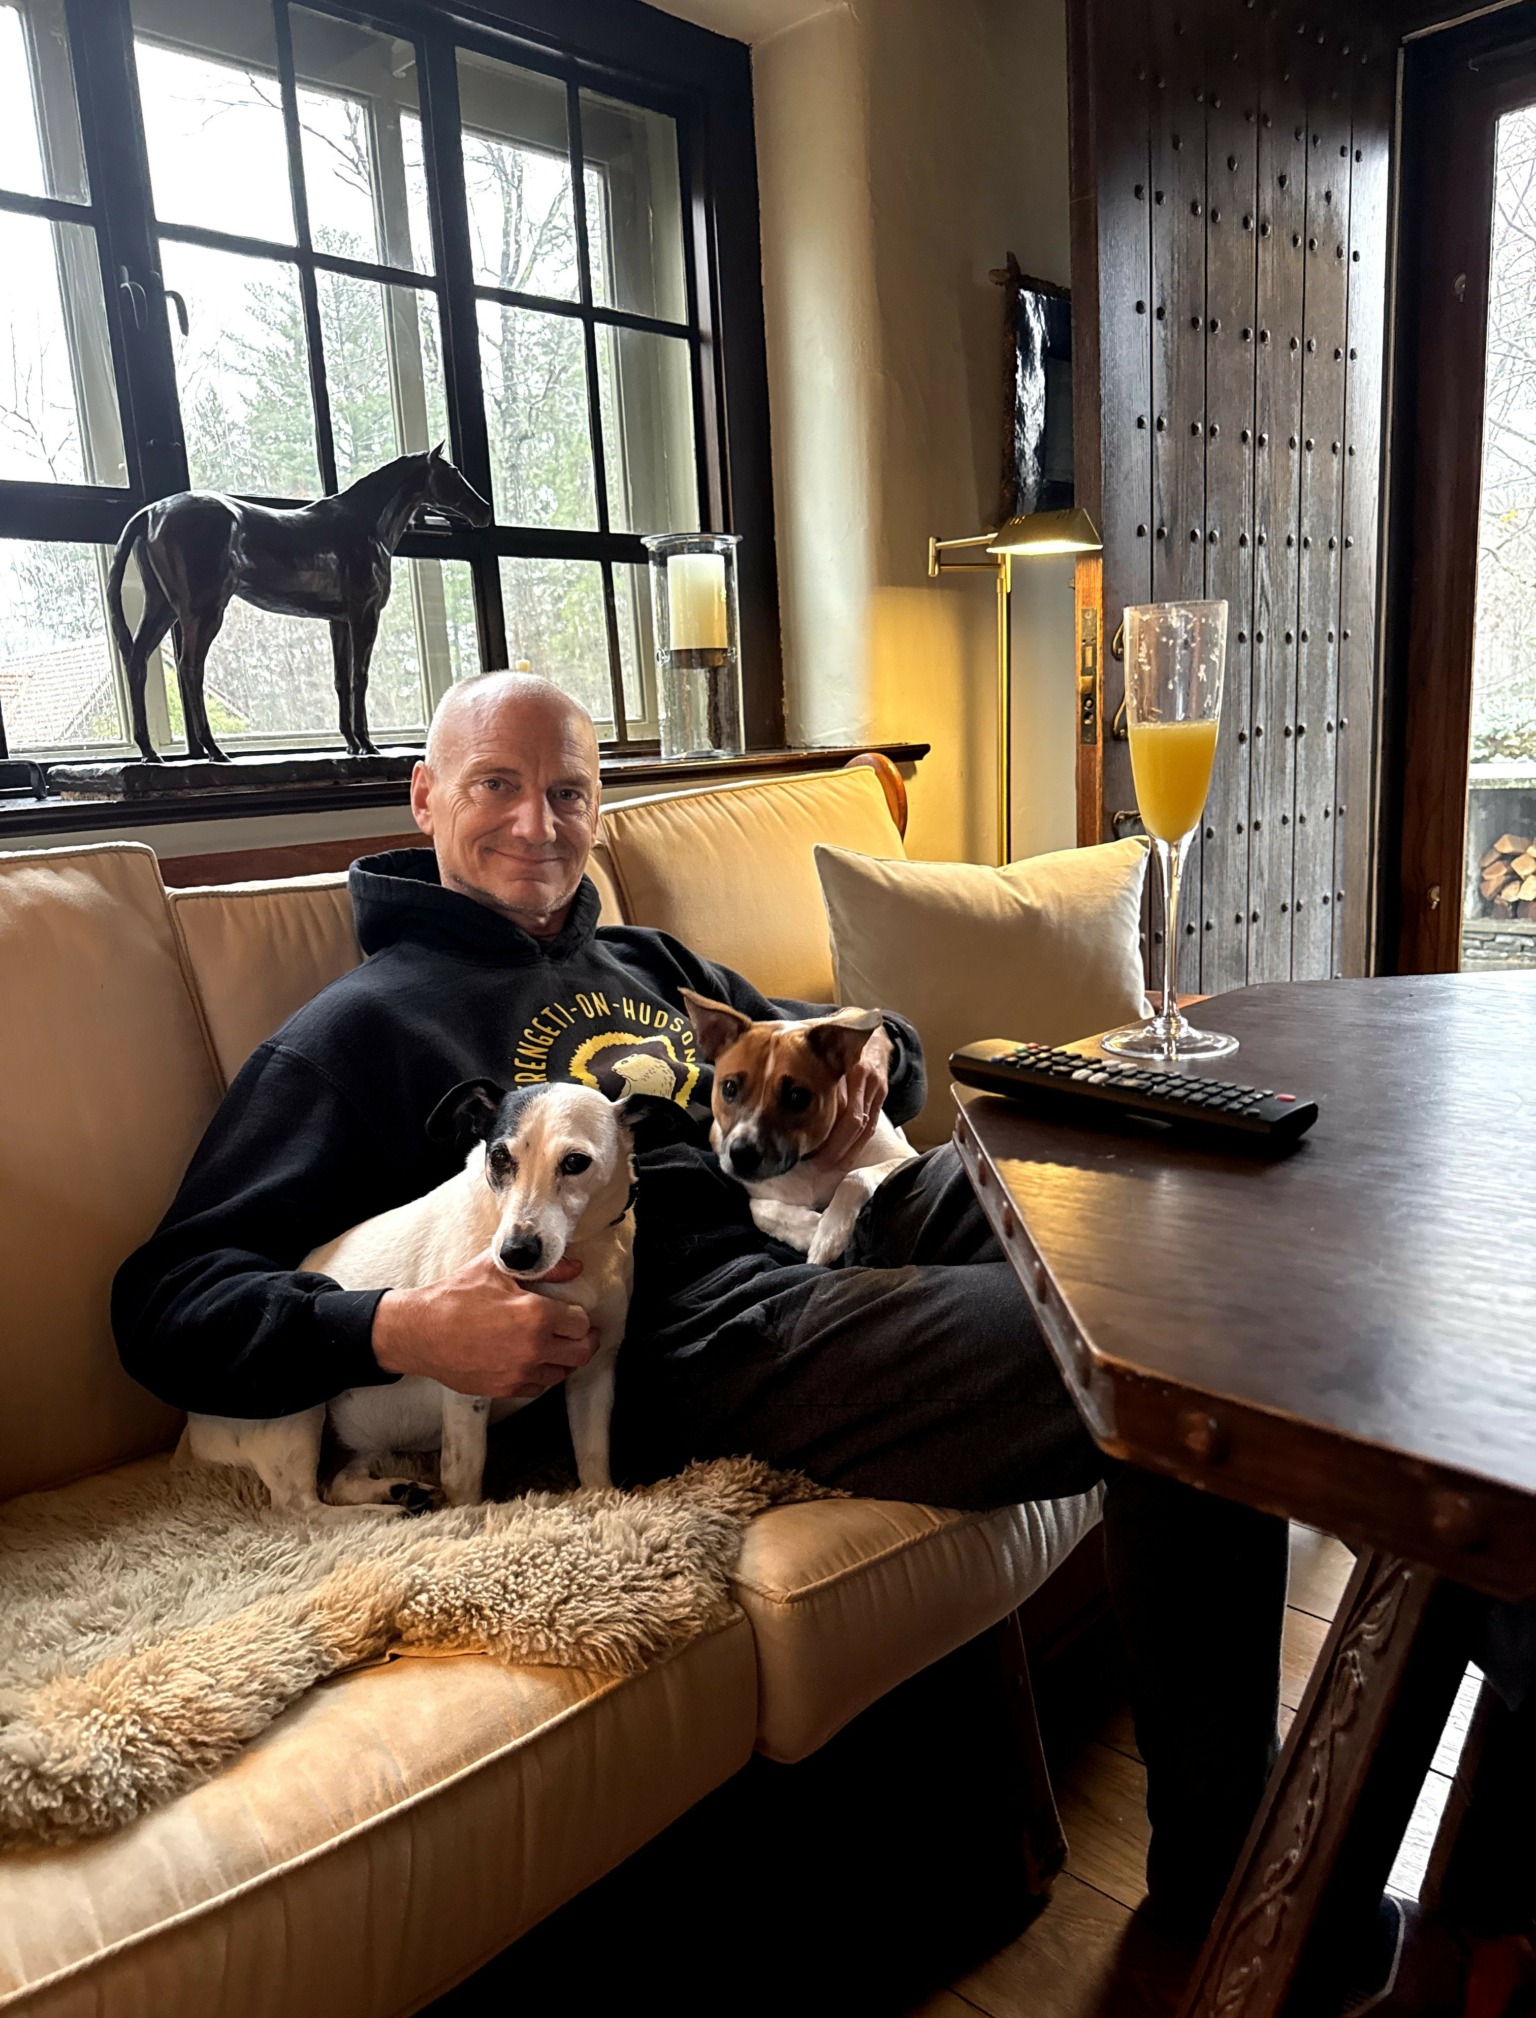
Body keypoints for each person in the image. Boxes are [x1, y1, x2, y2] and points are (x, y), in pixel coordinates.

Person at [113, 670, 1287, 1932]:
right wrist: (399, 1327)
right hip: (705, 1331)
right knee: (1167, 1364)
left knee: (1176, 1242)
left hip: (853, 1210)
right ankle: (1240, 1898)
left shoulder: (643, 958)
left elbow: (840, 1037)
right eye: (497, 785)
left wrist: (879, 1053)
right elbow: (168, 1296)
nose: (538, 823)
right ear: (425, 796)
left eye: (569, 791)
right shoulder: (358, 1032)